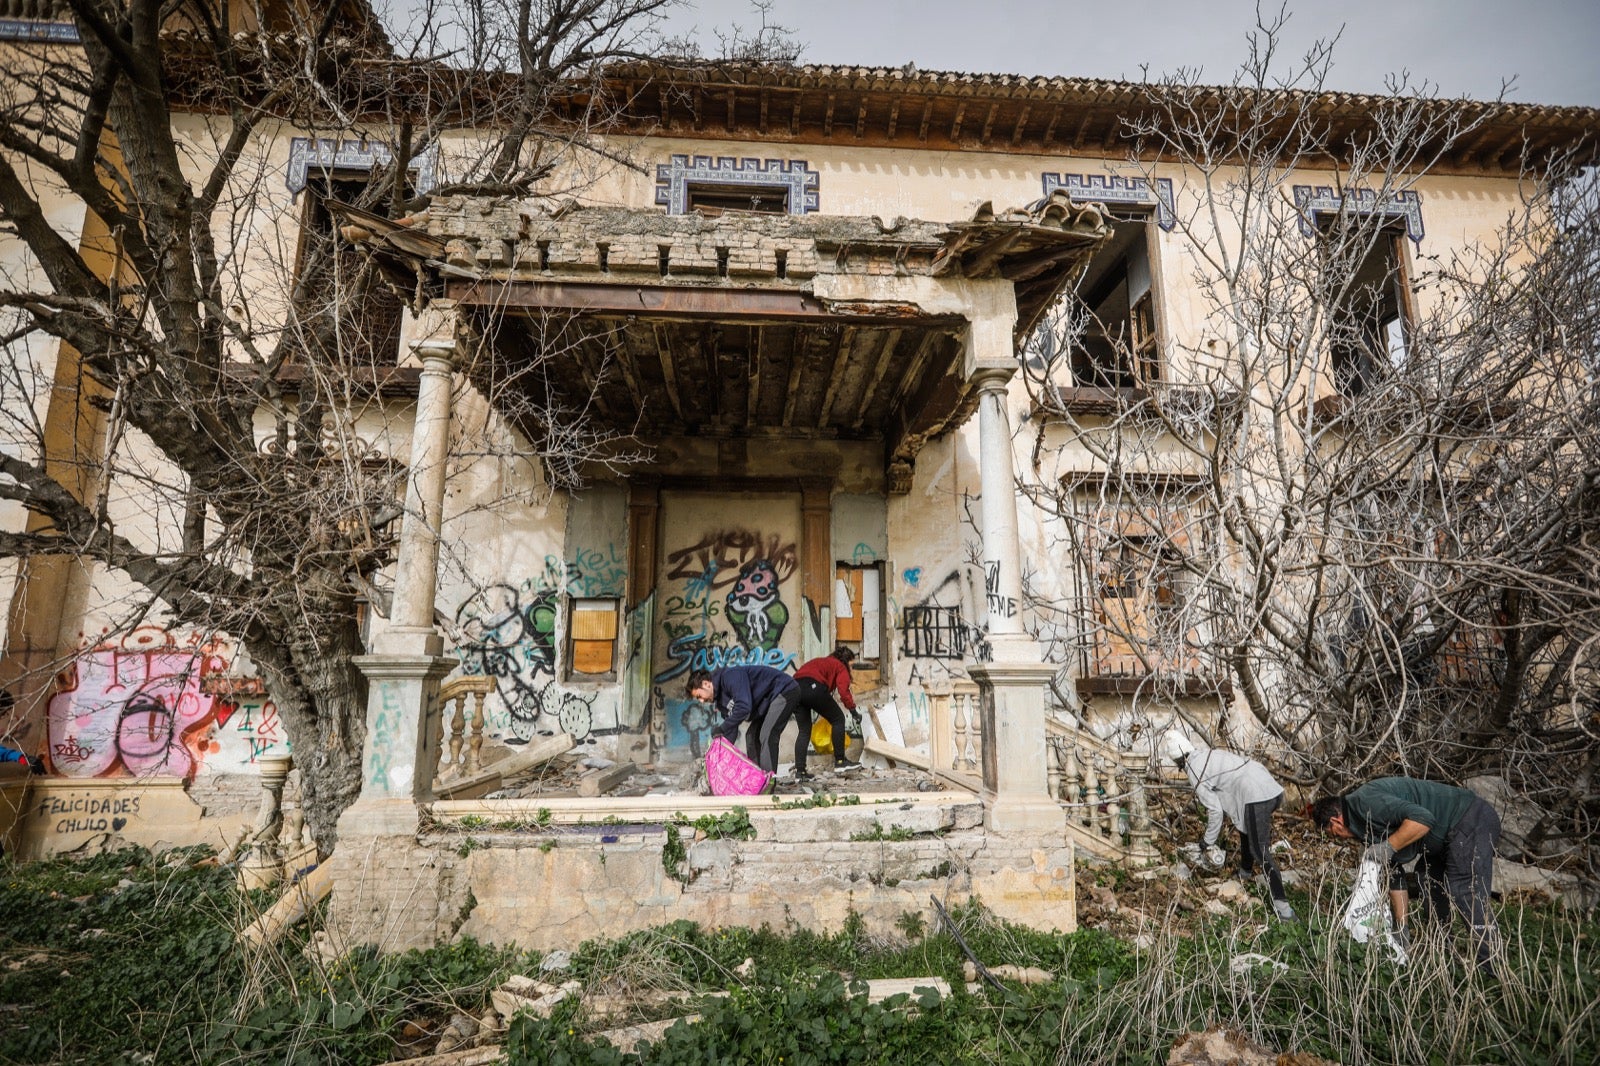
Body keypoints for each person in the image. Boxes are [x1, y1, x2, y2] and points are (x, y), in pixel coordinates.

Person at [1310, 777, 1502, 972]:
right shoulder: (1363, 828)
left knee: (1465, 890)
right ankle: (1444, 951)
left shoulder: (1366, 802)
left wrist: (1389, 846)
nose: (1338, 838)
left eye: (1333, 833)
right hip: (1446, 837)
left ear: (1336, 821)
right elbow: (1394, 874)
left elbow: (1422, 819)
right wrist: (1402, 927)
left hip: (1470, 819)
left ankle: (1492, 966)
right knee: (1426, 878)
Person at [1164, 732, 1297, 921]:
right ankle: (1245, 872)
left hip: (1255, 794)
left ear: (1177, 760)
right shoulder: (1206, 754)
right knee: (1246, 827)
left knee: (1260, 851)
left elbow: (1215, 811)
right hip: (1269, 786)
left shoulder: (1195, 770)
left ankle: (1285, 910)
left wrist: (1206, 842)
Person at [686, 665, 800, 774]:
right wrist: (720, 753)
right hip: (767, 702)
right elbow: (731, 729)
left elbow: (744, 707)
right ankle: (756, 778)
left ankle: (769, 781)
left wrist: (722, 728)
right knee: (751, 736)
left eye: (699, 696)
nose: (701, 701)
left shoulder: (730, 676)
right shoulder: (721, 703)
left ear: (706, 684)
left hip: (785, 690)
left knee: (767, 734)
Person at [791, 646, 863, 779]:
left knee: (804, 731)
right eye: (851, 665)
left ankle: (800, 772)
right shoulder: (840, 666)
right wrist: (853, 711)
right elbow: (843, 691)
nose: (851, 669)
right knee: (838, 719)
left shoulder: (822, 662)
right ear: (846, 661)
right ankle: (840, 762)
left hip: (794, 689)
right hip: (813, 686)